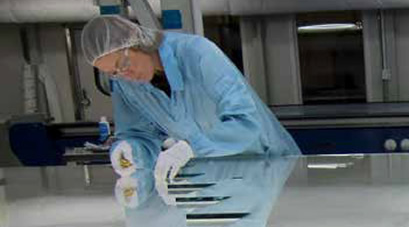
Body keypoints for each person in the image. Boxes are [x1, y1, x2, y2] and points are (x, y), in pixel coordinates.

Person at [81, 15, 300, 183]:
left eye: (123, 64)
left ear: (138, 44)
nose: (123, 75)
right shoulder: (125, 84)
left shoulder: (198, 54)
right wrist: (129, 150)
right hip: (213, 175)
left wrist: (191, 148)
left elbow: (246, 123)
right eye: (112, 73)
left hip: (268, 165)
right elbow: (137, 133)